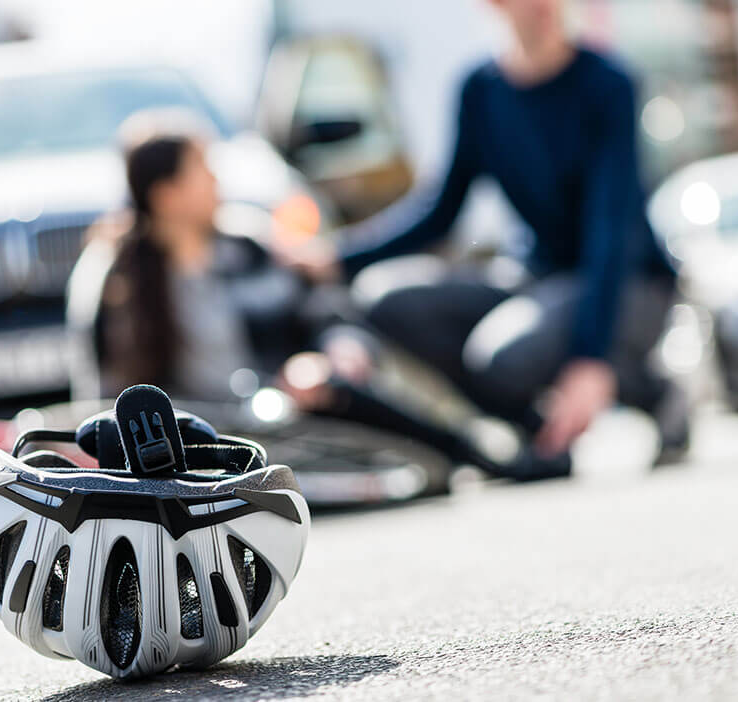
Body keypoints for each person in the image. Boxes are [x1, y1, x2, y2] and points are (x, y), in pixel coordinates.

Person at [280, 0, 689, 467]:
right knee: (385, 299)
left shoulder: (608, 83)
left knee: (506, 356)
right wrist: (338, 258)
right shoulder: (481, 90)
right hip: (537, 276)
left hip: (631, 284)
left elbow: (608, 232)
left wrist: (589, 360)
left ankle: (652, 391)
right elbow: (441, 211)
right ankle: (534, 434)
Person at [66, 110, 527, 479]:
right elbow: (105, 396)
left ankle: (470, 451)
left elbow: (324, 314)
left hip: (278, 409)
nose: (216, 181)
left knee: (340, 388)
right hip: (188, 439)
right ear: (166, 194)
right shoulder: (113, 279)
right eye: (202, 169)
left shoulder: (247, 247)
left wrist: (329, 351)